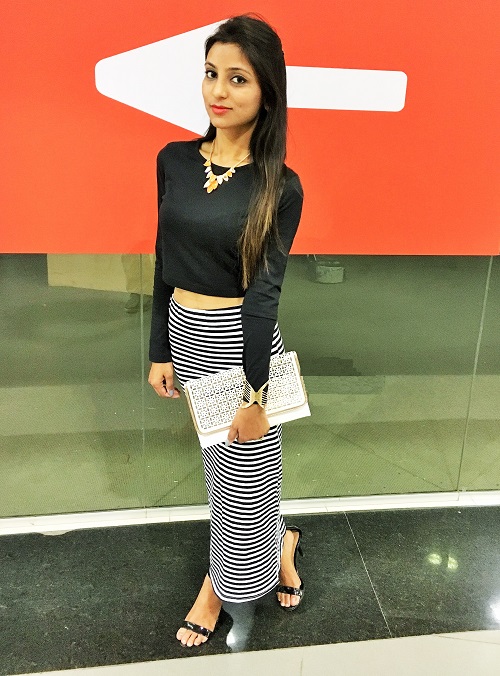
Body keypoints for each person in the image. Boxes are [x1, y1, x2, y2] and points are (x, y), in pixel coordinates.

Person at [148, 14, 304, 648]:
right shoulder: (174, 160)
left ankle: (223, 588)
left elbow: (264, 293)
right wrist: (159, 348)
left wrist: (254, 393)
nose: (219, 90)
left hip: (242, 341)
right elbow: (163, 258)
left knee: (245, 493)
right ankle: (283, 547)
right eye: (212, 73)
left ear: (266, 91)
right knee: (223, 476)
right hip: (185, 329)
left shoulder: (280, 186)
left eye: (238, 78)